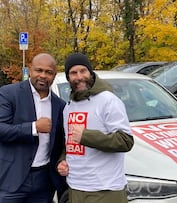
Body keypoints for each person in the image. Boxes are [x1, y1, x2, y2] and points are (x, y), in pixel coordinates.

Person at [0, 53, 68, 202]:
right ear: (30, 69)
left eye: (49, 72)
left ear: (54, 75)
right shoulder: (9, 93)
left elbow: (61, 143)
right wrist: (33, 127)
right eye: (39, 70)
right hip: (11, 177)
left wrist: (63, 160)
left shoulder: (59, 105)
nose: (43, 75)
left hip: (44, 181)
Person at [57, 53, 134, 203]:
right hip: (75, 188)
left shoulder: (108, 100)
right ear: (68, 78)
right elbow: (70, 144)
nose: (79, 77)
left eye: (83, 71)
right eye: (73, 73)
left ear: (90, 73)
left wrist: (86, 136)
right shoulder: (69, 107)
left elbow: (125, 141)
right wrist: (63, 160)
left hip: (104, 190)